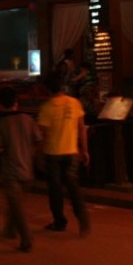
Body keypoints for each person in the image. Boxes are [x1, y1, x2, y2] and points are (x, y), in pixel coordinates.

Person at [37, 73, 89, 236]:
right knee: (73, 187)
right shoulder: (75, 103)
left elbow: (42, 135)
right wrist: (85, 150)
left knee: (55, 190)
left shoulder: (46, 108)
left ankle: (59, 221)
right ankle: (83, 219)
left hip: (53, 153)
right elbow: (81, 128)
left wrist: (38, 155)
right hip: (72, 152)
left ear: (47, 89)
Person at [0, 87, 41, 253]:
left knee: (16, 205)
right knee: (17, 203)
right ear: (16, 102)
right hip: (27, 168)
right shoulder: (28, 119)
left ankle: (26, 238)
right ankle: (9, 230)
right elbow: (38, 140)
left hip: (10, 170)